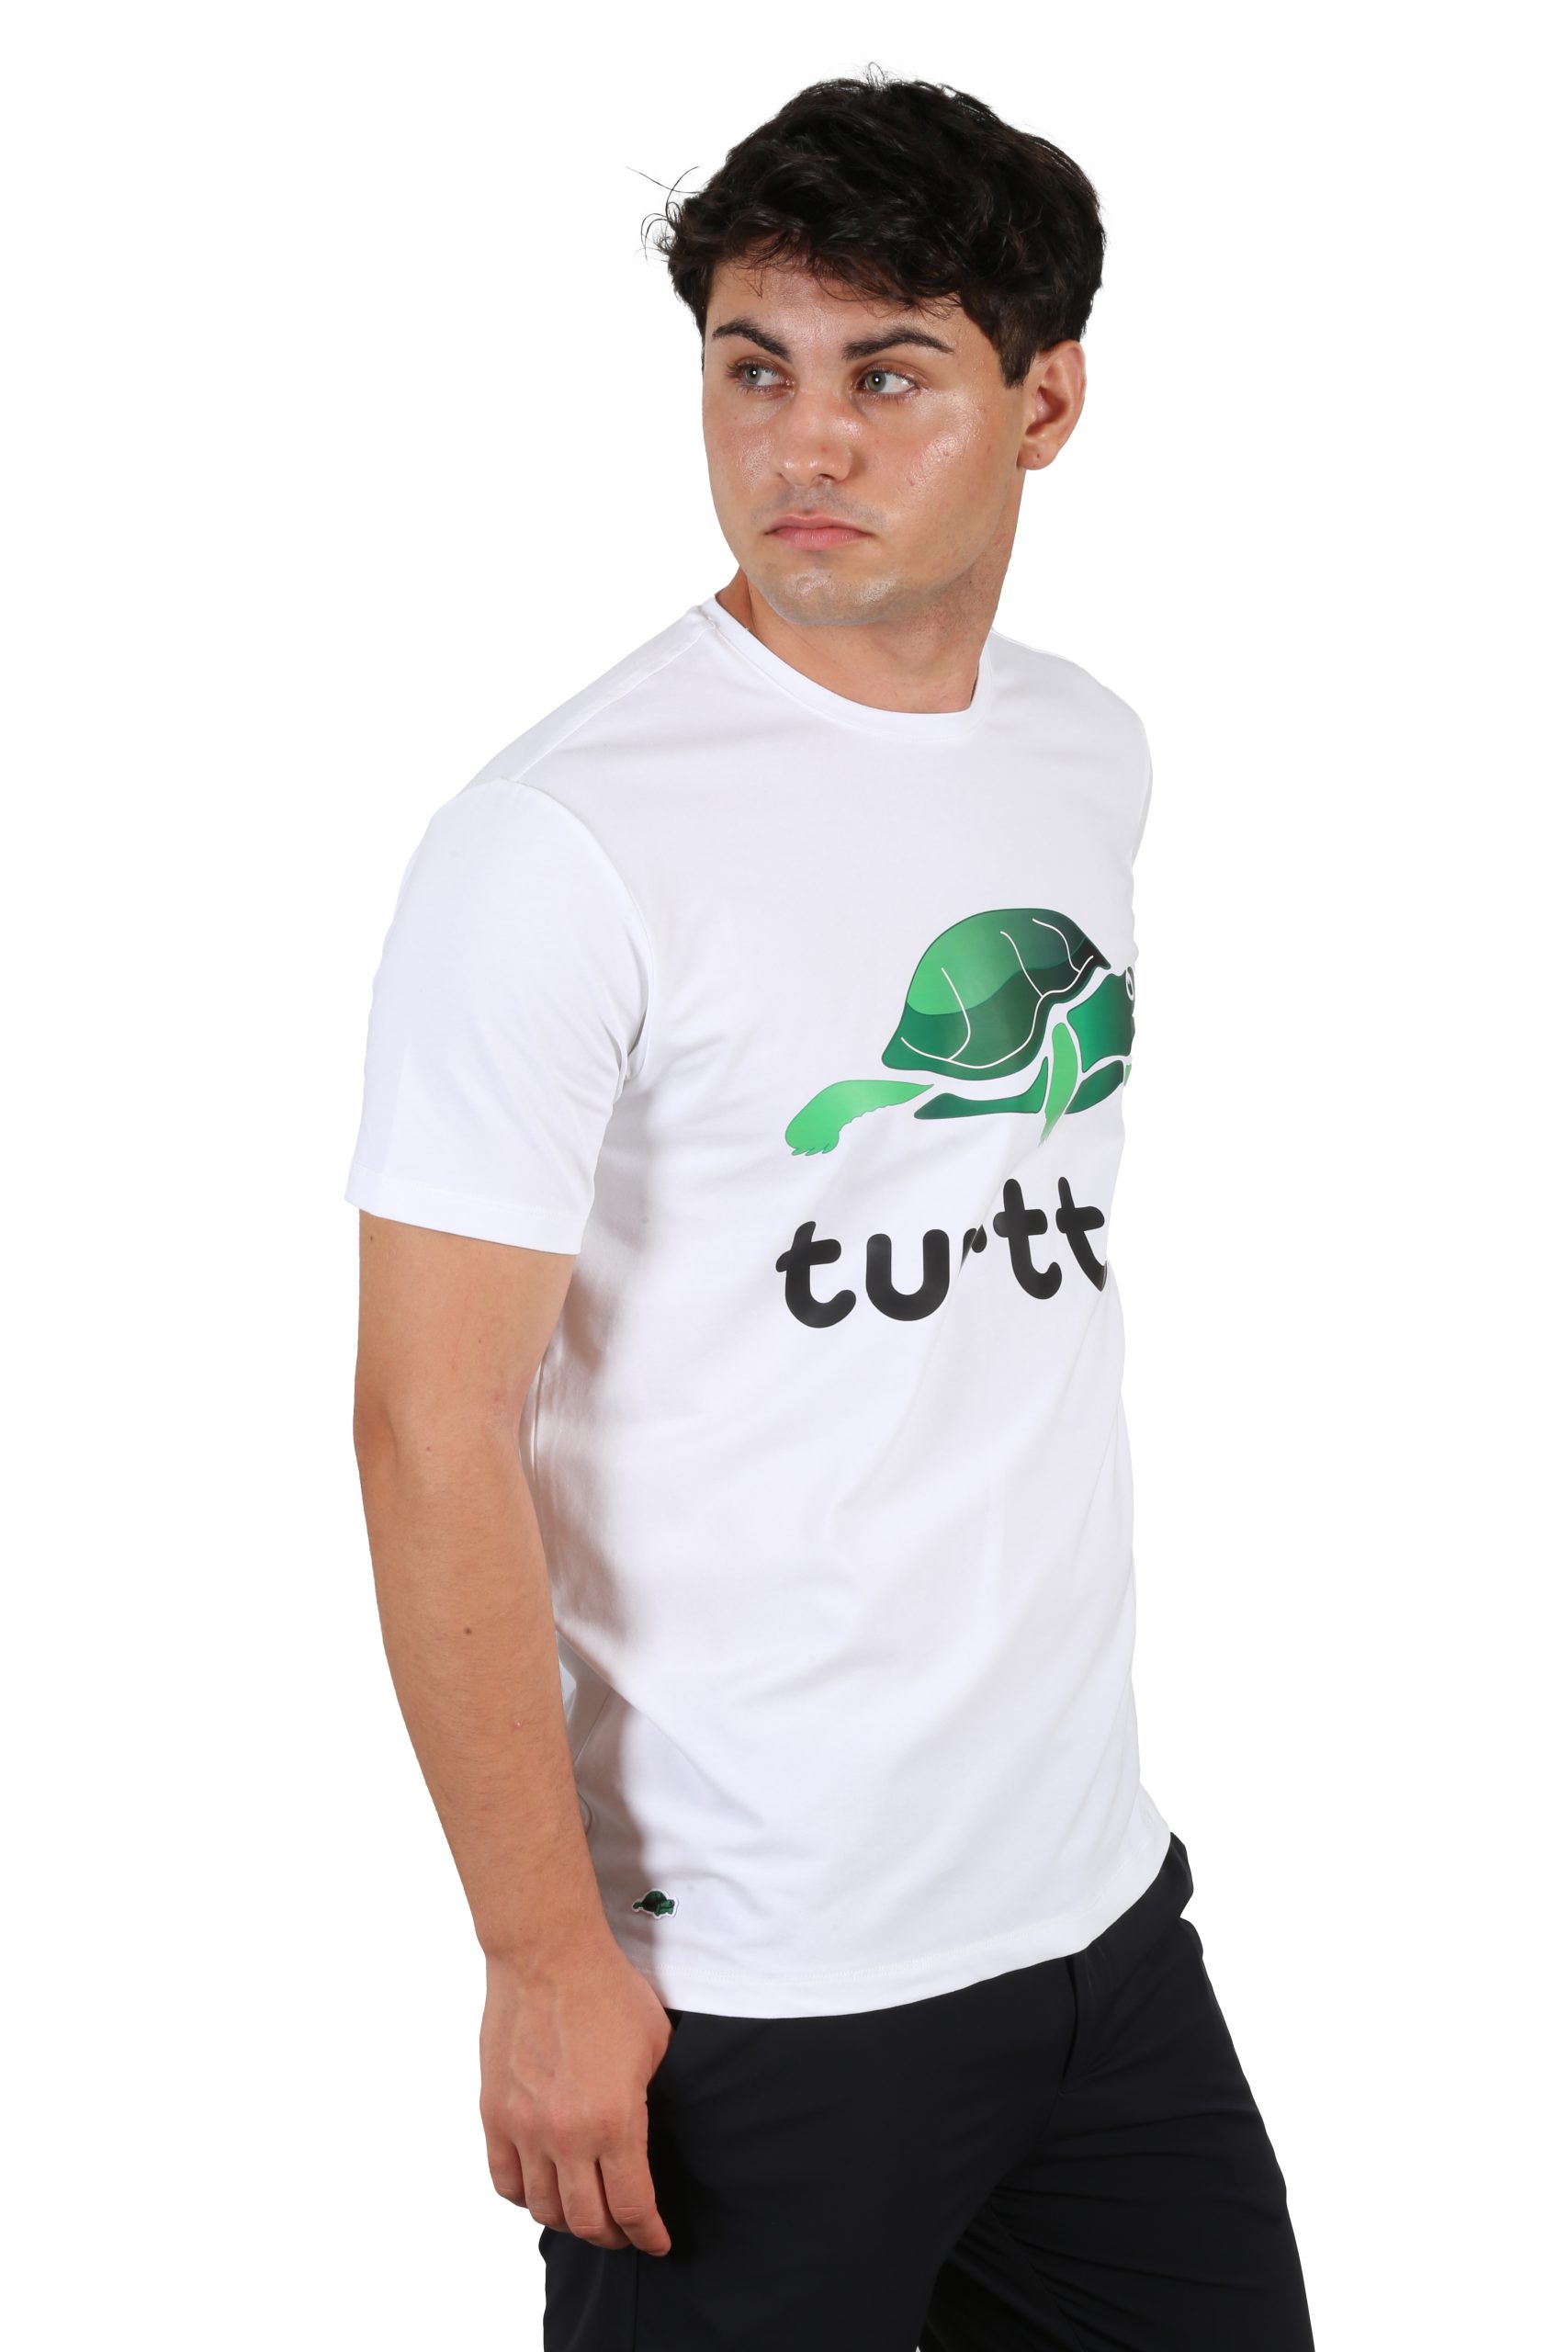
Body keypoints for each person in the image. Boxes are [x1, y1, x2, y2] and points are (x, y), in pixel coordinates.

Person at [347, 65, 1316, 2352]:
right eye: (750, 368)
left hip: (1096, 1929)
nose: (802, 442)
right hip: (754, 1992)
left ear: (1042, 401)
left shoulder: (1082, 751)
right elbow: (424, 1422)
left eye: (886, 375)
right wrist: (539, 1954)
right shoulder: (556, 844)